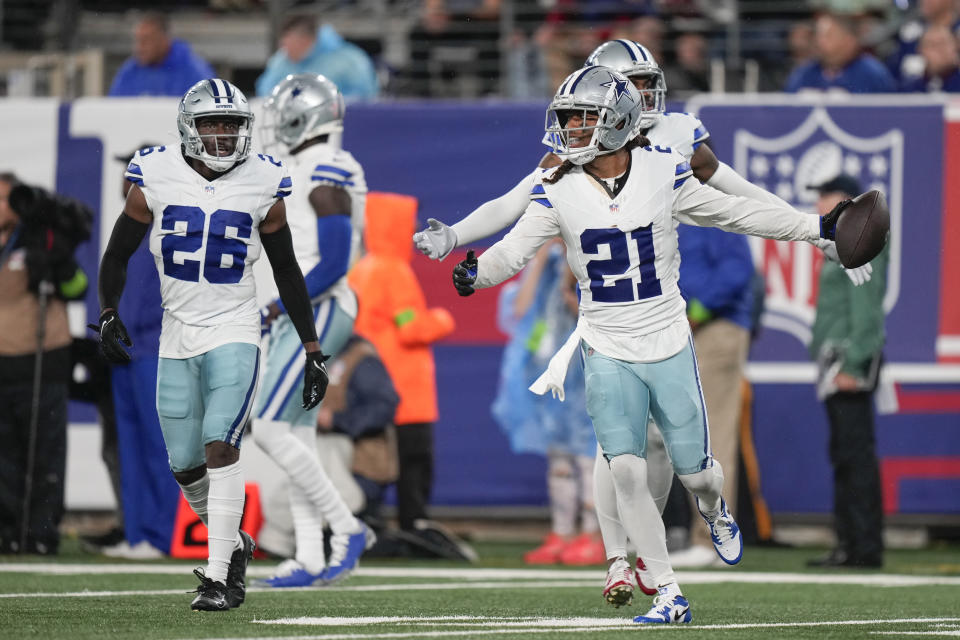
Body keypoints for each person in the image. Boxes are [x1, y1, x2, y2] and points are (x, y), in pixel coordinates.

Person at [413, 38, 873, 605]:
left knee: (694, 467)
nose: (573, 130)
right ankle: (638, 570)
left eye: (585, 118)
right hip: (604, 330)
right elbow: (516, 220)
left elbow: (733, 202)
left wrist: (814, 230)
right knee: (622, 458)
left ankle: (708, 509)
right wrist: (467, 255)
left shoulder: (667, 158)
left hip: (669, 325)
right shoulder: (562, 173)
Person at [92, 78, 329, 611]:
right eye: (211, 124)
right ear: (188, 127)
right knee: (184, 464)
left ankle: (220, 576)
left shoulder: (264, 180)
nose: (222, 135)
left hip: (236, 329)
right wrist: (107, 311)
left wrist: (312, 347)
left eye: (231, 124)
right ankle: (235, 542)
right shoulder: (153, 173)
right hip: (178, 333)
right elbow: (116, 253)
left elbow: (287, 270)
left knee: (221, 444)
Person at [252, 73, 375, 588]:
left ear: (308, 116)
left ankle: (346, 529)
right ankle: (308, 555)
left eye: (285, 112)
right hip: (310, 308)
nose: (277, 122)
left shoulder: (327, 168)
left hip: (317, 309)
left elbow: (337, 259)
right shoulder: (306, 165)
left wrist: (282, 303)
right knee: (297, 433)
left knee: (268, 428)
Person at [348, 192, 461, 555]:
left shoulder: (362, 268)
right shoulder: (393, 271)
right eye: (407, 227)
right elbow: (411, 327)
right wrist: (443, 319)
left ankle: (372, 523)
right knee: (414, 463)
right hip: (406, 387)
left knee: (377, 460)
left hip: (374, 381)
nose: (412, 236)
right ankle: (414, 526)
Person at [492, 240, 604, 566]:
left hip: (585, 370)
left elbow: (590, 314)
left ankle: (593, 535)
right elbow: (519, 309)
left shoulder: (589, 255)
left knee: (587, 456)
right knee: (559, 457)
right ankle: (562, 532)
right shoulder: (546, 264)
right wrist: (539, 256)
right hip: (553, 372)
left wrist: (571, 270)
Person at [94, 147, 179, 560]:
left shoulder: (165, 227)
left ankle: (163, 536)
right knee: (129, 446)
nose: (124, 180)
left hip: (155, 352)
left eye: (131, 172)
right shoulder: (130, 228)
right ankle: (138, 533)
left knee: (158, 446)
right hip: (126, 354)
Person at [0, 173, 90, 555]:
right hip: (3, 363)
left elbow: (78, 288)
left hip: (42, 360)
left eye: (5, 198)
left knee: (45, 452)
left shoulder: (43, 236)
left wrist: (57, 262)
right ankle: (8, 529)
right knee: (5, 456)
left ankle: (41, 532)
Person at [806, 174, 887, 569]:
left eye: (826, 196)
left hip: (848, 359)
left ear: (847, 200)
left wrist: (854, 362)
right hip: (836, 358)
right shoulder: (840, 242)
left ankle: (864, 546)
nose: (819, 203)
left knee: (855, 456)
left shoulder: (862, 237)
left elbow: (867, 307)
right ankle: (849, 543)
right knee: (845, 455)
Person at [255, 15, 378, 99]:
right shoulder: (282, 59)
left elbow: (365, 97)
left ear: (304, 40)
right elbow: (265, 92)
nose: (283, 47)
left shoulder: (350, 60)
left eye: (288, 42)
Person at [108, 12, 215, 97]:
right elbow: (115, 108)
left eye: (146, 40)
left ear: (164, 40)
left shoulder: (194, 71)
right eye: (138, 40)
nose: (139, 47)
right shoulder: (130, 71)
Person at [785, 12, 896, 93]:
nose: (819, 41)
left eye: (828, 36)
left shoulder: (872, 73)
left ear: (849, 40)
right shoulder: (805, 73)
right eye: (818, 35)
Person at [899, 24, 960, 92]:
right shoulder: (911, 87)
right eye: (932, 45)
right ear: (920, 50)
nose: (939, 49)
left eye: (943, 43)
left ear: (956, 46)